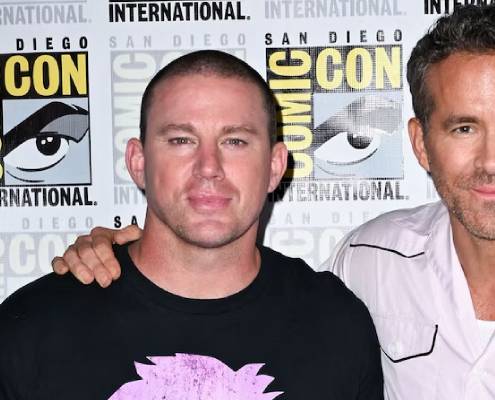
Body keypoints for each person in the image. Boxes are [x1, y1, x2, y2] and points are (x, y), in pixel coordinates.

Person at [52, 4, 495, 399]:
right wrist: (125, 252)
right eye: (463, 127)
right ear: (420, 142)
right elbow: (241, 302)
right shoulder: (367, 262)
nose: (492, 160)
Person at [0, 50, 383, 400]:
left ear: (274, 166)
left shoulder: (334, 324)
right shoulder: (33, 329)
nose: (209, 167)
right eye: (182, 140)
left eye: (235, 141)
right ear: (138, 163)